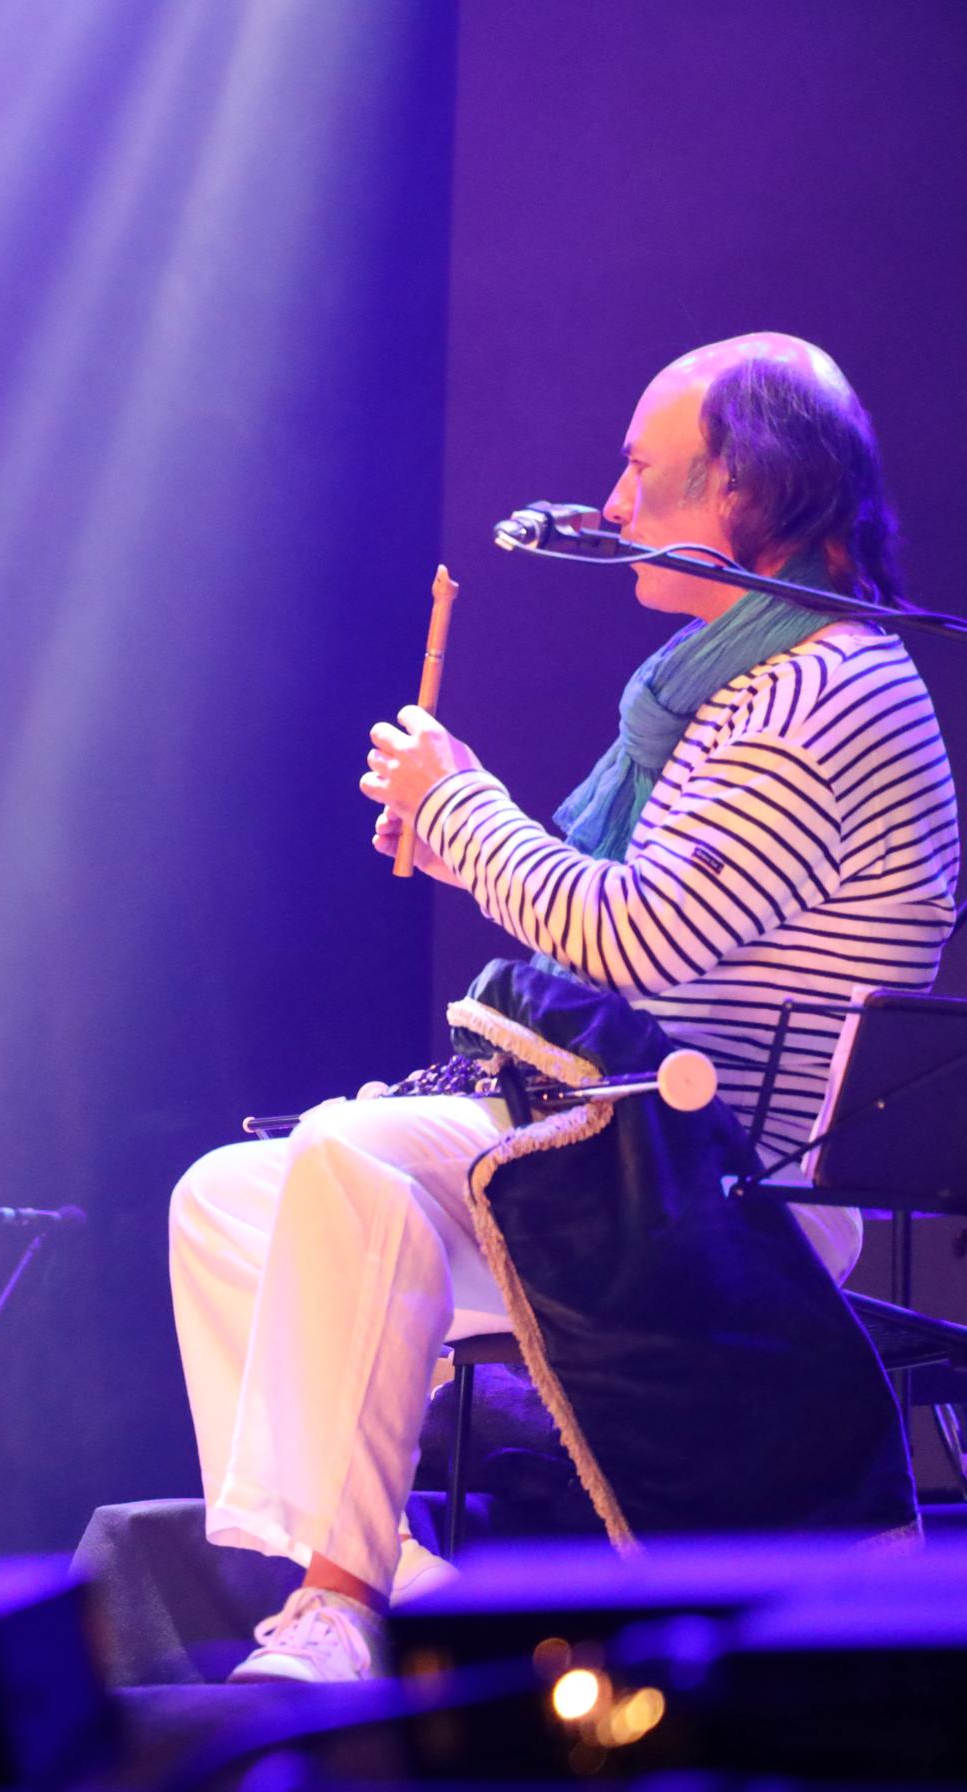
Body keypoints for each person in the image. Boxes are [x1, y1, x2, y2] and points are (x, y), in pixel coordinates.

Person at [168, 333, 958, 1682]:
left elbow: (635, 937)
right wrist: (465, 810)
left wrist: (457, 808)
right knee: (227, 1195)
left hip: (729, 1193)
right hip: (630, 1156)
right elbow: (621, 939)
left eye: (645, 471)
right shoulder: (722, 690)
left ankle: (339, 1605)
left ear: (746, 494)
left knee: (350, 1159)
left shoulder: (825, 687)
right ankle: (400, 1588)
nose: (613, 505)